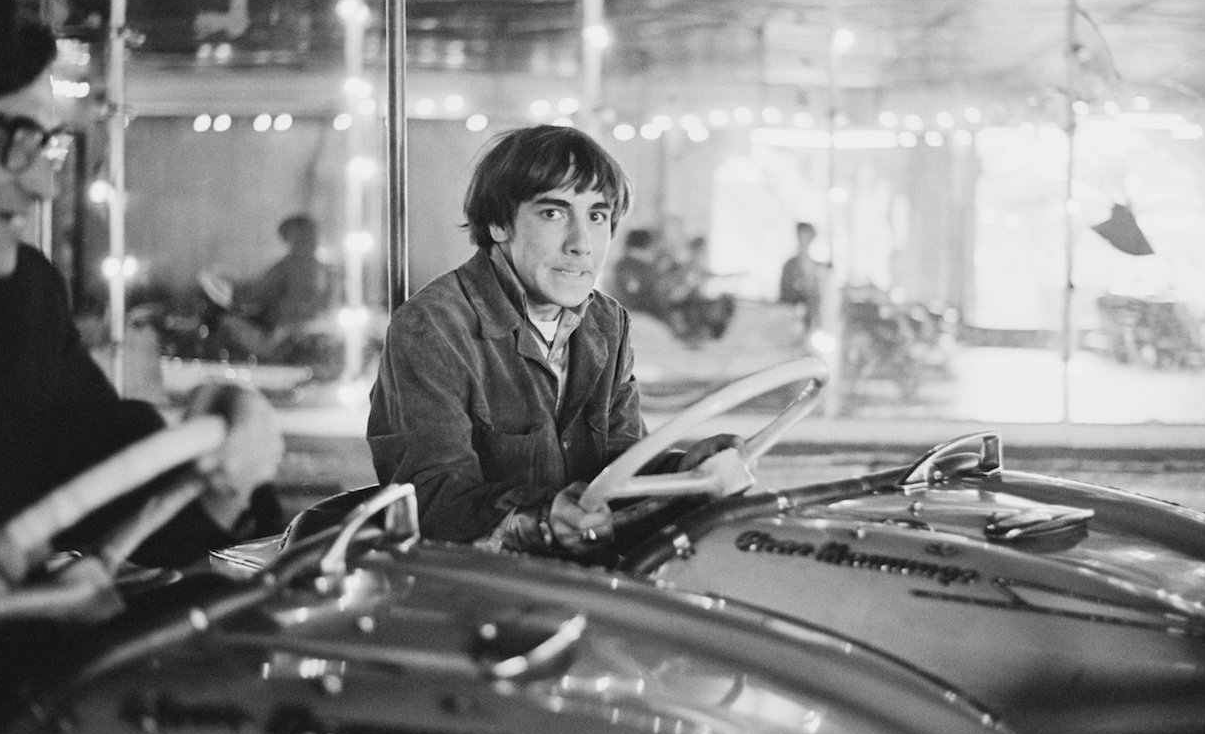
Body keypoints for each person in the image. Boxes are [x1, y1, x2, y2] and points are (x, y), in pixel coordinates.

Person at [0, 0, 284, 576]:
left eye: (48, 147)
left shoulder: (23, 301)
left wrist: (226, 449)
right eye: (19, 139)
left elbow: (110, 477)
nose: (44, 186)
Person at [367, 125, 739, 558]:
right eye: (553, 213)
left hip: (582, 574)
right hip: (484, 589)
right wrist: (542, 518)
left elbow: (618, 462)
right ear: (499, 223)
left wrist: (688, 469)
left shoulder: (606, 322)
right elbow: (428, 499)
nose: (581, 244)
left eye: (597, 217)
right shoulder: (433, 327)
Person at [200, 212, 338, 360]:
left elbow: (254, 295)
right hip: (322, 335)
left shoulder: (288, 267)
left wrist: (226, 286)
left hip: (285, 337)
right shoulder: (327, 270)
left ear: (293, 237)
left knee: (225, 322)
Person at [779, 221, 825, 333]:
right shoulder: (790, 265)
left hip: (814, 319)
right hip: (794, 321)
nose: (806, 240)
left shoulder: (816, 266)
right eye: (803, 235)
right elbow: (785, 295)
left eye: (809, 236)